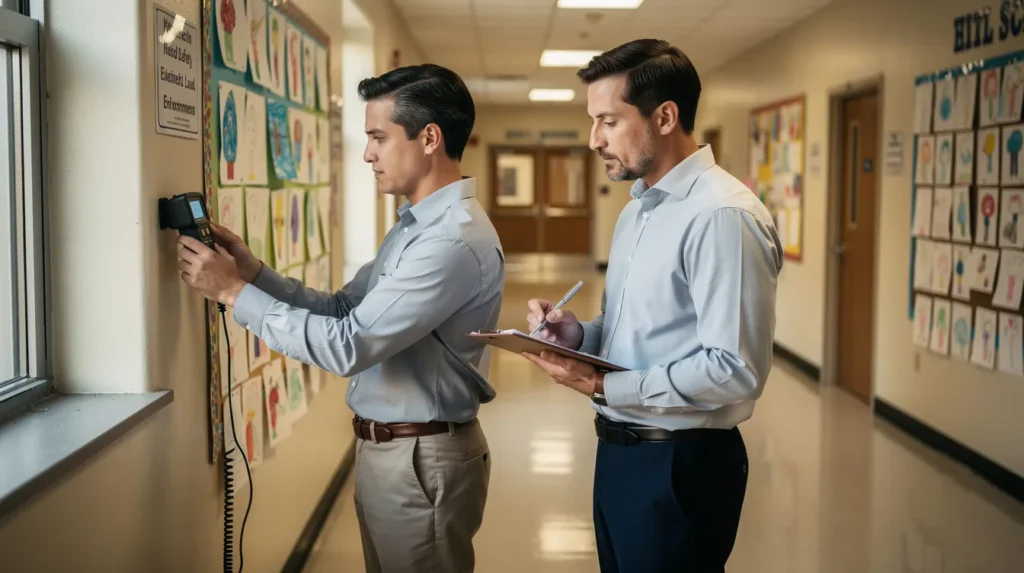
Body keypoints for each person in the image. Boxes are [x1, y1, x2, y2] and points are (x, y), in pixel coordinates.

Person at [177, 64, 504, 573]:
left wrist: (232, 292)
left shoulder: (449, 240)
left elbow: (348, 344)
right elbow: (344, 310)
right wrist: (254, 273)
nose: (368, 153)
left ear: (429, 138)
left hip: (420, 459)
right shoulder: (416, 227)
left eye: (378, 137)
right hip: (394, 450)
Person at [522, 39, 782, 573]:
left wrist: (602, 385)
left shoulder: (720, 217)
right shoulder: (639, 209)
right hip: (621, 452)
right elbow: (637, 329)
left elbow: (735, 369)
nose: (594, 139)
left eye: (609, 121)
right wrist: (580, 338)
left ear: (665, 116)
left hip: (680, 462)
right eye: (593, 121)